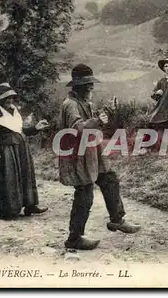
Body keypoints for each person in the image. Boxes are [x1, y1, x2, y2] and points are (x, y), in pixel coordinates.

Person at [59, 63, 141, 250]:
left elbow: (91, 124)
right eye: (88, 84)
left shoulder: (83, 102)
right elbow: (77, 128)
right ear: (78, 86)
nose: (91, 87)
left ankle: (117, 219)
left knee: (109, 179)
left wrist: (106, 113)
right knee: (85, 195)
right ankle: (74, 238)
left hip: (91, 152)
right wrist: (97, 120)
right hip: (78, 157)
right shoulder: (70, 105)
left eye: (91, 83)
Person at [0, 83, 50, 220]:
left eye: (11, 98)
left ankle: (30, 205)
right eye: (6, 99)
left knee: (26, 175)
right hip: (7, 151)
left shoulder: (14, 111)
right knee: (9, 178)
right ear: (0, 100)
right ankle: (9, 209)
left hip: (21, 148)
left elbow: (21, 130)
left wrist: (36, 128)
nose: (10, 101)